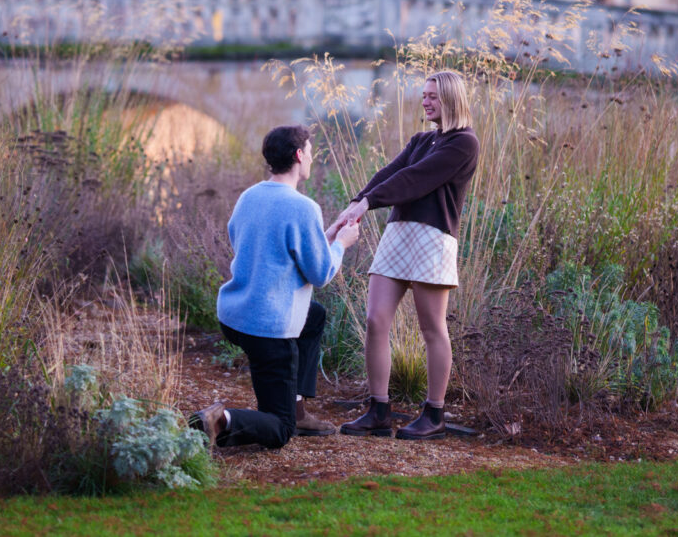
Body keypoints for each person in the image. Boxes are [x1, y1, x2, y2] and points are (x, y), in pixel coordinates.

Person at [189, 124, 360, 449]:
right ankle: (221, 420)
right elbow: (321, 273)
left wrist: (326, 238)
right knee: (280, 431)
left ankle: (296, 408)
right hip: (267, 328)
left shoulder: (249, 196)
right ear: (299, 155)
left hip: (234, 314)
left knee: (314, 317)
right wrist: (342, 245)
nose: (311, 157)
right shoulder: (303, 207)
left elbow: (273, 251)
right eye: (310, 151)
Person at [333, 71, 479, 441]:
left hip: (433, 239)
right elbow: (392, 172)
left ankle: (434, 414)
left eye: (433, 96)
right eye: (424, 96)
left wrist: (369, 202)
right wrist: (357, 201)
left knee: (432, 328)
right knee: (375, 320)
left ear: (450, 99)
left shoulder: (464, 143)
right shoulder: (421, 139)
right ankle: (378, 410)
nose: (426, 102)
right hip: (398, 234)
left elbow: (416, 178)